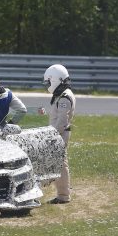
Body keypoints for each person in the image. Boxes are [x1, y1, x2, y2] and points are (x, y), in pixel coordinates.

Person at [42, 63, 76, 204]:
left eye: (49, 81)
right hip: (59, 133)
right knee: (59, 163)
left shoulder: (64, 97)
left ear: (55, 79)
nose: (48, 84)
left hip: (59, 134)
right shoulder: (62, 94)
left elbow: (62, 120)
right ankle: (64, 190)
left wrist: (52, 135)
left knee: (61, 164)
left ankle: (63, 195)